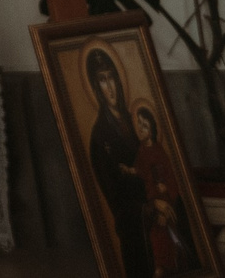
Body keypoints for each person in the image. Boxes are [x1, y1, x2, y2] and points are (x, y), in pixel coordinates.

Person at [83, 48, 155, 278]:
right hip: (134, 224)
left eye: (111, 76)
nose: (110, 87)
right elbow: (115, 197)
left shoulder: (135, 120)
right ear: (96, 87)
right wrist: (147, 208)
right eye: (102, 80)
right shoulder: (100, 136)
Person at [132, 105, 202, 275]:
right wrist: (129, 170)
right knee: (155, 237)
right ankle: (159, 267)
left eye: (145, 125)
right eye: (139, 123)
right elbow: (139, 174)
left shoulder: (158, 151)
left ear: (153, 130)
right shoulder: (140, 151)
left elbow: (171, 180)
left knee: (166, 237)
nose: (141, 128)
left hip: (165, 202)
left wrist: (165, 201)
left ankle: (165, 268)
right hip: (151, 204)